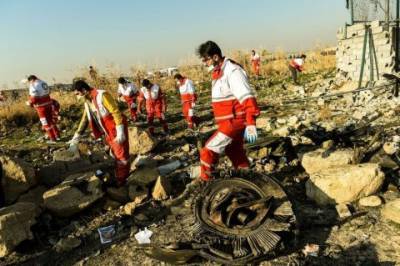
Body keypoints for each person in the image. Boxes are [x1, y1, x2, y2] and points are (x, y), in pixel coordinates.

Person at [196, 41, 260, 181]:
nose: (204, 63)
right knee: (234, 151)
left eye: (206, 60)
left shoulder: (232, 71)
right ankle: (250, 181)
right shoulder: (219, 72)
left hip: (234, 122)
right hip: (227, 122)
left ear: (215, 57)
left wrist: (250, 123)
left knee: (207, 152)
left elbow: (247, 97)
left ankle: (206, 186)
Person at [68, 80, 130, 186]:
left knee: (121, 155)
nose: (77, 97)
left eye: (77, 94)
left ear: (83, 90)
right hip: (107, 130)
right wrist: (76, 136)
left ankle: (121, 181)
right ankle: (119, 175)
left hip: (115, 127)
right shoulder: (88, 101)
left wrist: (120, 131)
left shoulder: (102, 95)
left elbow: (115, 111)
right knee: (114, 153)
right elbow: (85, 119)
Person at [25, 75, 60, 142]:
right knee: (51, 121)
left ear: (31, 80)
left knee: (45, 123)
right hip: (49, 105)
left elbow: (34, 98)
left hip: (41, 108)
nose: (29, 83)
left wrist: (29, 103)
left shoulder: (33, 85)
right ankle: (57, 135)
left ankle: (52, 138)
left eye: (29, 82)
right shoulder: (43, 82)